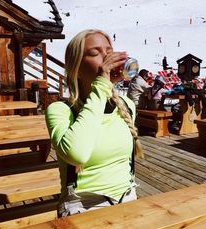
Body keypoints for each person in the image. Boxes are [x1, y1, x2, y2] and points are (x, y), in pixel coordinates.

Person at [45, 29, 144, 217]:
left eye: (109, 51)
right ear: (77, 68)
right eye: (95, 53)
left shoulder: (127, 105)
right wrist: (101, 85)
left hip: (128, 200)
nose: (107, 57)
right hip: (83, 207)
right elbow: (77, 154)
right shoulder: (61, 110)